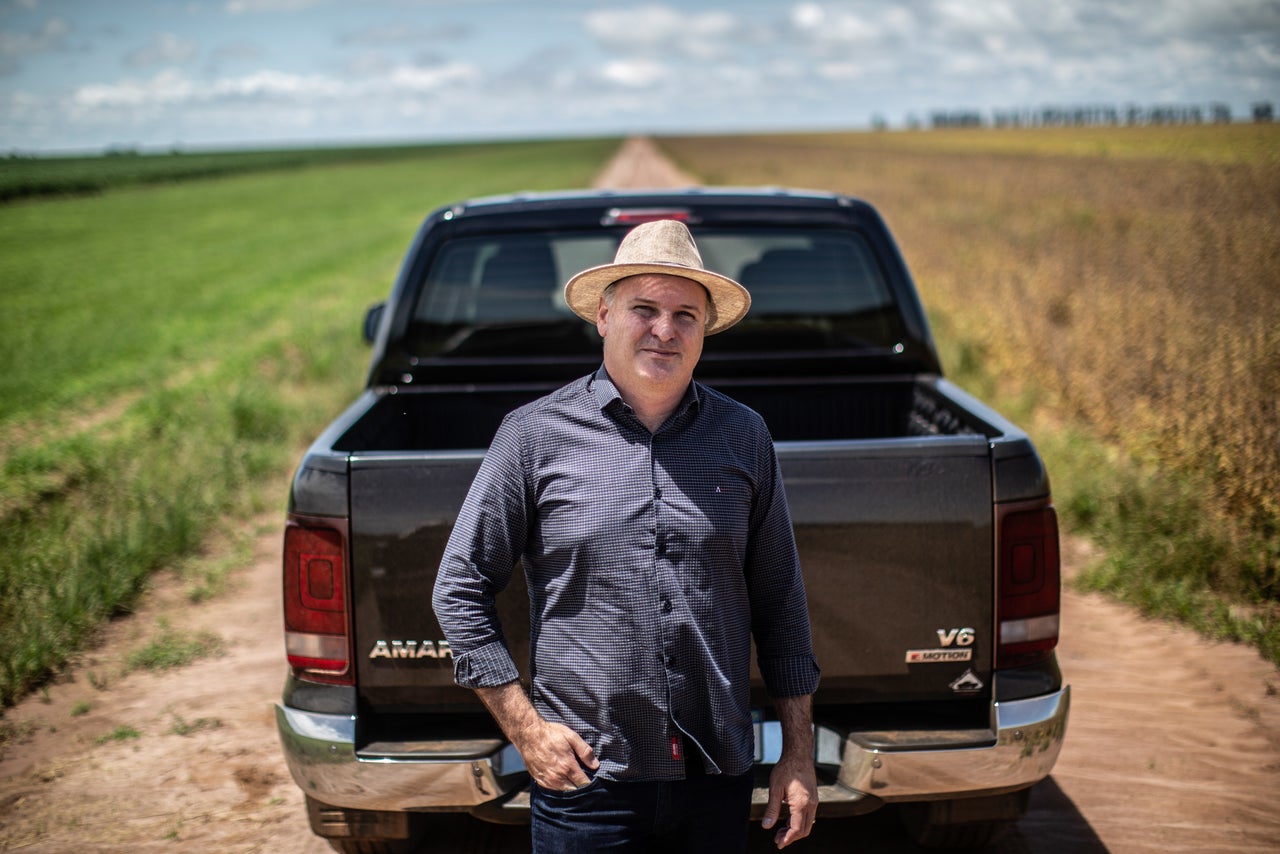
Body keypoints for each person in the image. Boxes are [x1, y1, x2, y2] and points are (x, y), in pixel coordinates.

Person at [432, 219, 821, 851]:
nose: (665, 330)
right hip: (588, 782)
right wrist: (527, 732)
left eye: (685, 316)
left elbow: (781, 606)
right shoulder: (533, 436)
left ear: (704, 331)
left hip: (716, 776)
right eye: (645, 308)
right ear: (604, 316)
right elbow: (460, 588)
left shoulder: (744, 436)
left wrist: (798, 755)